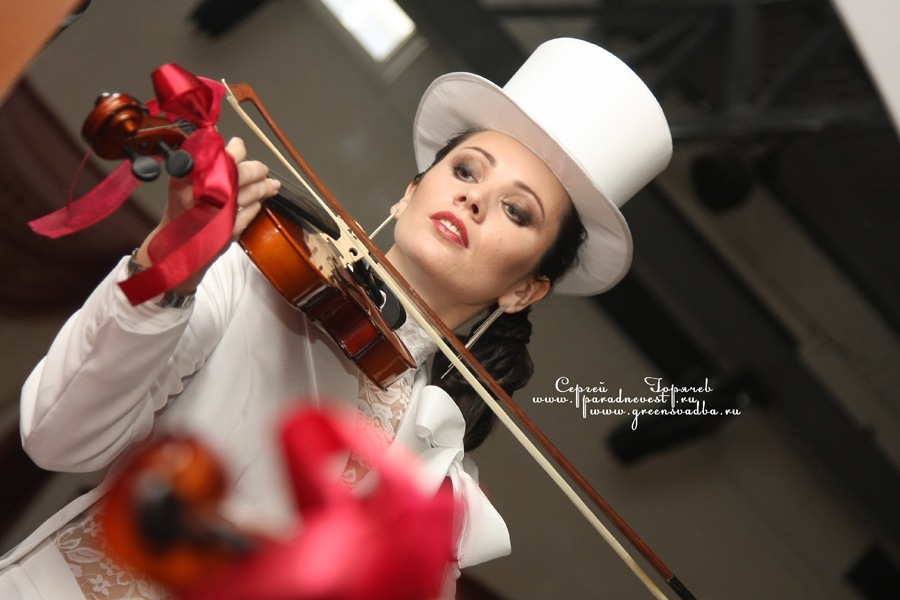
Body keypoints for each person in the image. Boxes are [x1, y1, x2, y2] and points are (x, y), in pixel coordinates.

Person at [0, 37, 672, 599]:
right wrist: (165, 269)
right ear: (411, 193)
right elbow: (57, 441)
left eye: (517, 210)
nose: (473, 200)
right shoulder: (256, 280)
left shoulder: (438, 489)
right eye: (467, 171)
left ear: (525, 290)